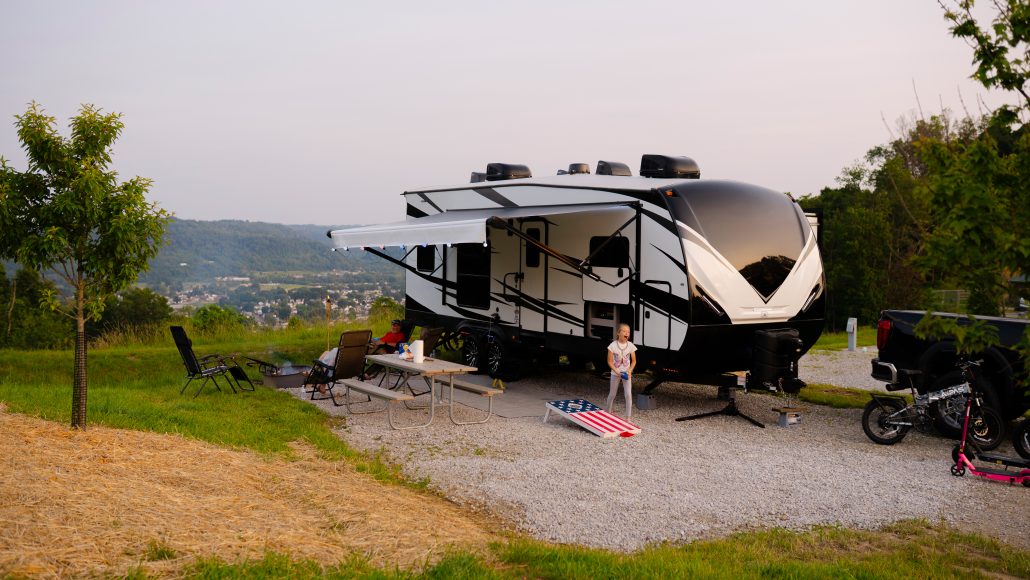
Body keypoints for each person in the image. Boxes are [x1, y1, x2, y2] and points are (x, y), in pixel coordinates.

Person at [606, 323, 637, 420]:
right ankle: (608, 412)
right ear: (618, 333)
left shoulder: (631, 345)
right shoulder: (612, 346)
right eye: (624, 331)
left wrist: (630, 371)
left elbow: (634, 361)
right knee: (612, 394)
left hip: (626, 374)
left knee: (628, 395)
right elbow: (610, 362)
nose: (626, 333)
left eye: (628, 331)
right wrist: (617, 371)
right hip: (615, 373)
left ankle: (628, 418)